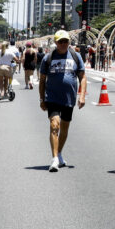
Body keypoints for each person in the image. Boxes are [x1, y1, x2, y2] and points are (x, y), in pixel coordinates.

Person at [39, 30, 87, 172]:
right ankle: (54, 159)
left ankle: (59, 153)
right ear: (55, 42)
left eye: (66, 41)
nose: (64, 44)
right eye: (61, 41)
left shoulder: (75, 56)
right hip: (52, 97)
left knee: (64, 128)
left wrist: (82, 96)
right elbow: (42, 81)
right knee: (55, 125)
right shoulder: (48, 58)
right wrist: (42, 99)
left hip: (69, 98)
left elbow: (82, 77)